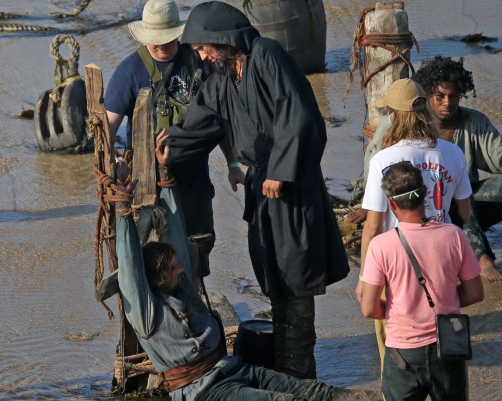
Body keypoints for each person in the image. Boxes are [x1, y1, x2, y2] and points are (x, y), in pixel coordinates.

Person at [163, 1, 350, 379]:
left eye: (203, 47)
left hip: (292, 187)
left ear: (222, 37)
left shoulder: (267, 54)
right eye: (197, 51)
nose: (201, 56)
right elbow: (196, 132)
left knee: (295, 279)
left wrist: (281, 171)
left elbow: (300, 114)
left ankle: (299, 375)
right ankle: (285, 370)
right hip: (260, 189)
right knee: (274, 277)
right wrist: (160, 158)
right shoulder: (219, 82)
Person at [113, 153, 355, 401]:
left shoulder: (178, 286)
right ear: (159, 277)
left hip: (232, 367)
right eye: (174, 268)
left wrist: (164, 172)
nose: (182, 270)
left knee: (317, 391)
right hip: (204, 390)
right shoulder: (146, 313)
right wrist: (122, 204)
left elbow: (175, 231)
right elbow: (130, 267)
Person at [350, 56, 502, 282]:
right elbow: (376, 165)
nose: (447, 103)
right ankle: (482, 260)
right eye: (440, 96)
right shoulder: (397, 122)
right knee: (459, 196)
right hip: (420, 212)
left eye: (453, 96)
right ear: (424, 97)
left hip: (463, 205)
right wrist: (368, 206)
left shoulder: (473, 122)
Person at [104, 0, 244, 283]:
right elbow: (107, 128)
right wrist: (115, 165)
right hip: (146, 183)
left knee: (195, 251)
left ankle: (195, 304)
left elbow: (220, 121)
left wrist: (232, 164)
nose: (160, 45)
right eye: (154, 39)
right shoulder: (129, 71)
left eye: (167, 39)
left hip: (194, 181)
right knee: (154, 256)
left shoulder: (199, 62)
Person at [356, 78, 473, 363]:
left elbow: (372, 227)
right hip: (440, 256)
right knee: (443, 341)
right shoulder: (453, 153)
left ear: (393, 116)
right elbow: (465, 214)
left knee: (394, 351)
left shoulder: (384, 159)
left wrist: (363, 277)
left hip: (394, 260)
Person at [360, 161, 484, 401]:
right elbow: (475, 293)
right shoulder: (454, 235)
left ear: (391, 204)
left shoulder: (380, 246)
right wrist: (444, 302)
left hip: (403, 354)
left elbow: (368, 308)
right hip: (448, 347)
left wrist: (399, 311)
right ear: (426, 193)